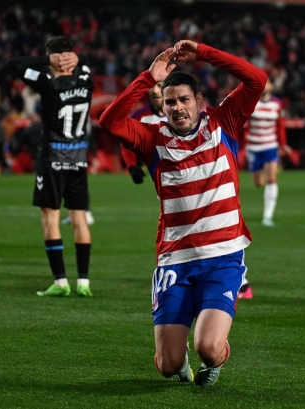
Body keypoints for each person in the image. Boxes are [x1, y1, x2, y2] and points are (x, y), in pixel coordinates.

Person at [99, 40, 267, 387]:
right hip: (175, 260)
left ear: (199, 102)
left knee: (208, 347)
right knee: (168, 365)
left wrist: (205, 53)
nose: (177, 108)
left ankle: (216, 356)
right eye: (169, 101)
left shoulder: (225, 122)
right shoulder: (151, 138)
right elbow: (109, 121)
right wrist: (148, 78)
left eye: (184, 100)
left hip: (222, 257)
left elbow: (256, 80)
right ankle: (176, 356)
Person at [6, 36, 94, 297]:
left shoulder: (47, 82)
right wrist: (79, 59)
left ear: (55, 58)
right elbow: (89, 62)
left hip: (52, 159)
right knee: (79, 217)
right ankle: (84, 283)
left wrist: (48, 61)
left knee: (50, 218)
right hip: (78, 160)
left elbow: (13, 64)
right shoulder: (86, 78)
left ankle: (61, 281)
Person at [245, 80, 291, 228]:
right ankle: (263, 173)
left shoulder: (277, 104)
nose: (265, 85)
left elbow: (280, 125)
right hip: (253, 147)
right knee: (259, 183)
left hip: (270, 145)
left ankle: (267, 217)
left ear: (271, 87)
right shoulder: (251, 102)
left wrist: (283, 145)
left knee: (272, 178)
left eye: (268, 83)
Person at [120, 82, 166, 184]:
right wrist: (132, 166)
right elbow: (126, 142)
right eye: (151, 86)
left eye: (159, 86)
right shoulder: (139, 117)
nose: (155, 91)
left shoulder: (182, 114)